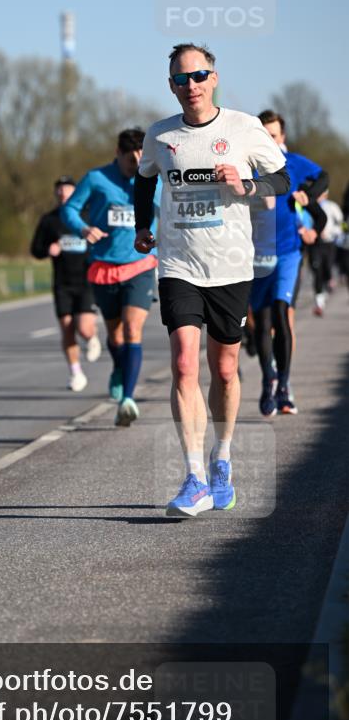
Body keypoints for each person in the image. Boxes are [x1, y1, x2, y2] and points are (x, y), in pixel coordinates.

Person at [134, 43, 290, 517]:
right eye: (182, 79)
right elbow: (144, 180)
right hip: (178, 265)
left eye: (199, 76)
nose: (191, 86)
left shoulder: (243, 128)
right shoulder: (160, 135)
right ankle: (194, 478)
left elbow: (281, 180)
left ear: (213, 78)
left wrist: (246, 185)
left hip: (230, 266)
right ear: (171, 86)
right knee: (184, 364)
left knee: (224, 370)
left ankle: (221, 459)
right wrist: (142, 226)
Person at [62, 129, 159, 426]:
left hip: (140, 265)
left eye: (142, 159)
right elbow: (70, 209)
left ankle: (127, 399)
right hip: (104, 266)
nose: (136, 165)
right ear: (118, 153)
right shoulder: (96, 178)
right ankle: (119, 367)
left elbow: (171, 208)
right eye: (131, 161)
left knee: (132, 329)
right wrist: (83, 229)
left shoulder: (154, 179)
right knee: (115, 336)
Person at [250, 110, 328, 414]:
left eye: (273, 135)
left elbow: (323, 177)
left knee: (282, 312)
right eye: (263, 135)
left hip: (288, 252)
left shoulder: (293, 163)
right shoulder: (248, 164)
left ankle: (284, 384)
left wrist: (310, 195)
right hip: (255, 254)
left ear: (282, 137)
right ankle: (267, 380)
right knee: (262, 322)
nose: (269, 141)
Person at [30, 176, 101, 392]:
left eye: (67, 189)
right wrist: (48, 249)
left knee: (84, 327)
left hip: (86, 280)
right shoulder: (49, 220)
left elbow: (103, 240)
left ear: (76, 192)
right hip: (62, 283)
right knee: (67, 328)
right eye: (59, 190)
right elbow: (35, 249)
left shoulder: (88, 216)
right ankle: (75, 372)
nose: (62, 193)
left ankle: (92, 337)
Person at [309, 191, 344, 316]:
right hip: (315, 244)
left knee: (327, 268)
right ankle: (319, 304)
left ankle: (329, 282)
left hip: (329, 244)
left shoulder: (332, 207)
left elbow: (341, 225)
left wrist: (330, 233)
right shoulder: (308, 206)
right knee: (317, 271)